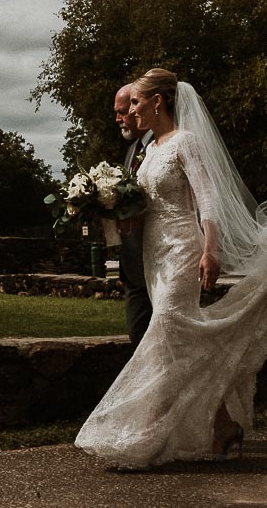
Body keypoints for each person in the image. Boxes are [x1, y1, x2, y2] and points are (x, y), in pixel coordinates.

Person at [77, 68, 267, 469]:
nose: (131, 110)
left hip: (183, 248)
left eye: (135, 102)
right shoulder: (151, 149)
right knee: (178, 343)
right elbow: (148, 204)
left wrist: (211, 251)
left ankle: (143, 436)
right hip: (153, 254)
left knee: (165, 334)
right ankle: (222, 425)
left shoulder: (187, 142)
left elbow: (209, 199)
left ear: (157, 101)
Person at [114, 83, 154, 345]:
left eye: (123, 111)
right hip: (133, 264)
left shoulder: (163, 145)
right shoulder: (133, 149)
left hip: (160, 257)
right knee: (137, 337)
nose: (118, 118)